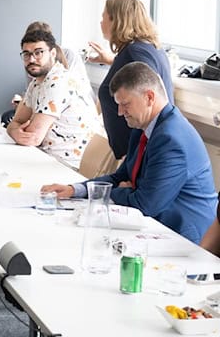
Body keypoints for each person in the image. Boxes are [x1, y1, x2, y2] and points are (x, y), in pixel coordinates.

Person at [41, 62, 216, 243]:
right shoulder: (143, 127)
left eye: (125, 104)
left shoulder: (171, 139)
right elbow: (121, 176)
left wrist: (123, 191)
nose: (119, 112)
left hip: (183, 237)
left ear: (149, 97)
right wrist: (75, 190)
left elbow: (145, 205)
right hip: (154, 226)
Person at [86, 0, 174, 159]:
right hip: (135, 151)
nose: (100, 22)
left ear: (116, 21)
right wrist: (112, 62)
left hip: (140, 153)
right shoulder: (143, 49)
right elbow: (138, 77)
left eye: (103, 17)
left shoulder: (135, 52)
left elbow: (148, 91)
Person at [6, 30, 102, 169]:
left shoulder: (58, 82)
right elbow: (17, 121)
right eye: (26, 54)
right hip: (48, 158)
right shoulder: (36, 82)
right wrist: (14, 130)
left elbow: (33, 137)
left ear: (52, 53)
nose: (32, 59)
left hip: (70, 166)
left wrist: (15, 130)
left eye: (38, 52)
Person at [0, 21, 92, 126]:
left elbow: (62, 94)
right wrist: (21, 102)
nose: (32, 58)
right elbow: (32, 92)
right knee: (8, 117)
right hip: (41, 107)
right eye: (28, 52)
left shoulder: (64, 67)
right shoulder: (32, 63)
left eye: (38, 52)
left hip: (60, 111)